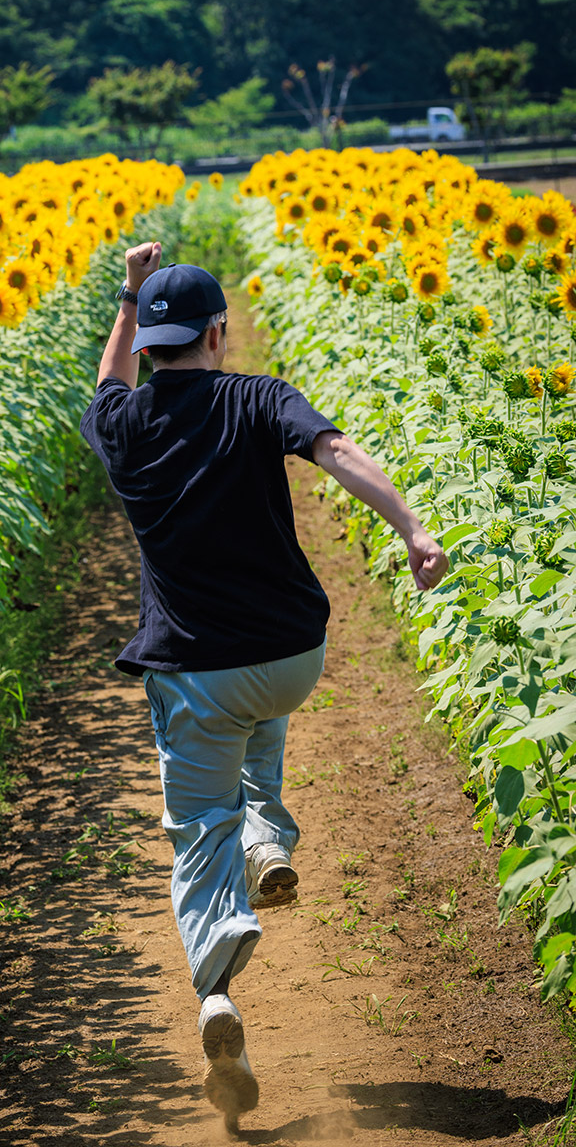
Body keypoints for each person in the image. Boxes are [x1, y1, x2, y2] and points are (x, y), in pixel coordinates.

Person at [79, 240, 448, 1130]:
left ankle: (216, 986)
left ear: (150, 343)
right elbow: (336, 450)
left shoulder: (121, 426)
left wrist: (126, 298)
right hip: (290, 656)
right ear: (218, 332)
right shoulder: (256, 395)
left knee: (196, 826)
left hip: (194, 668)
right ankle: (268, 837)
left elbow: (105, 384)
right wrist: (411, 527)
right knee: (258, 715)